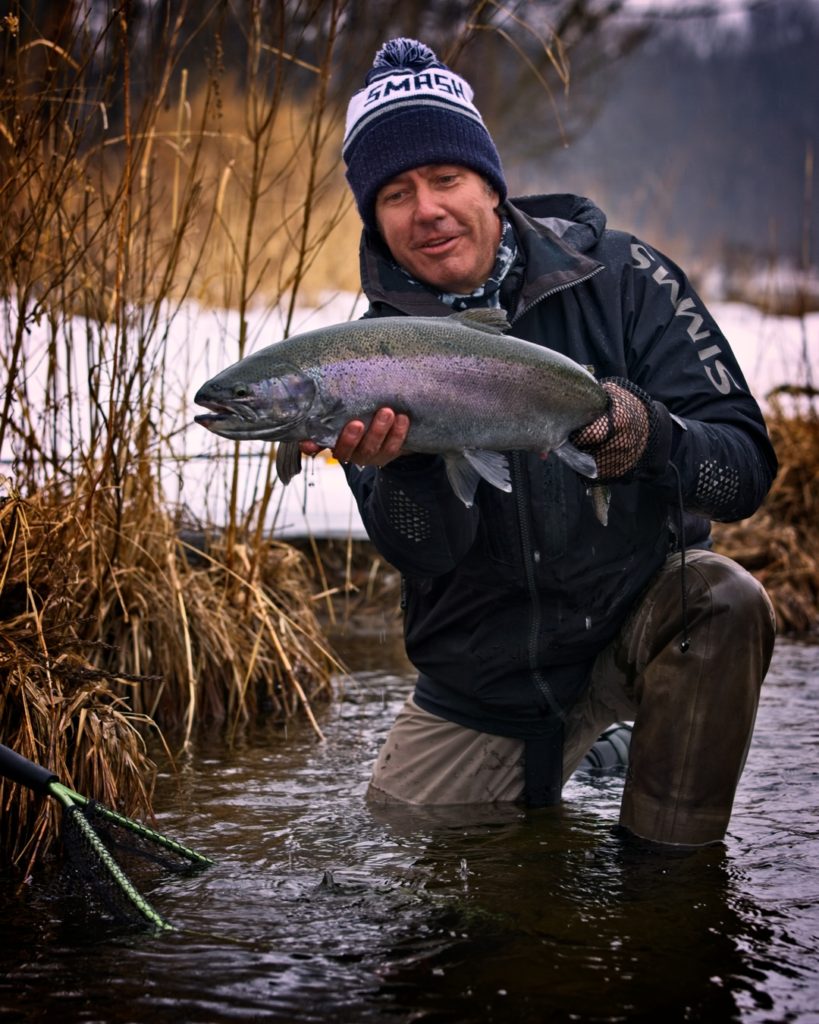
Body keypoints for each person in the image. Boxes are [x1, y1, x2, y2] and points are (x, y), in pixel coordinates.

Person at [301, 38, 777, 848]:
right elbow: (425, 556)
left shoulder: (627, 279)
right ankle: (580, 754)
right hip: (487, 682)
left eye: (446, 178)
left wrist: (650, 437)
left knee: (726, 599)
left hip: (634, 623)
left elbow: (743, 472)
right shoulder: (363, 364)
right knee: (410, 865)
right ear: (376, 221)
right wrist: (412, 466)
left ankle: (665, 872)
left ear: (489, 182)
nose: (427, 210)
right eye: (396, 194)